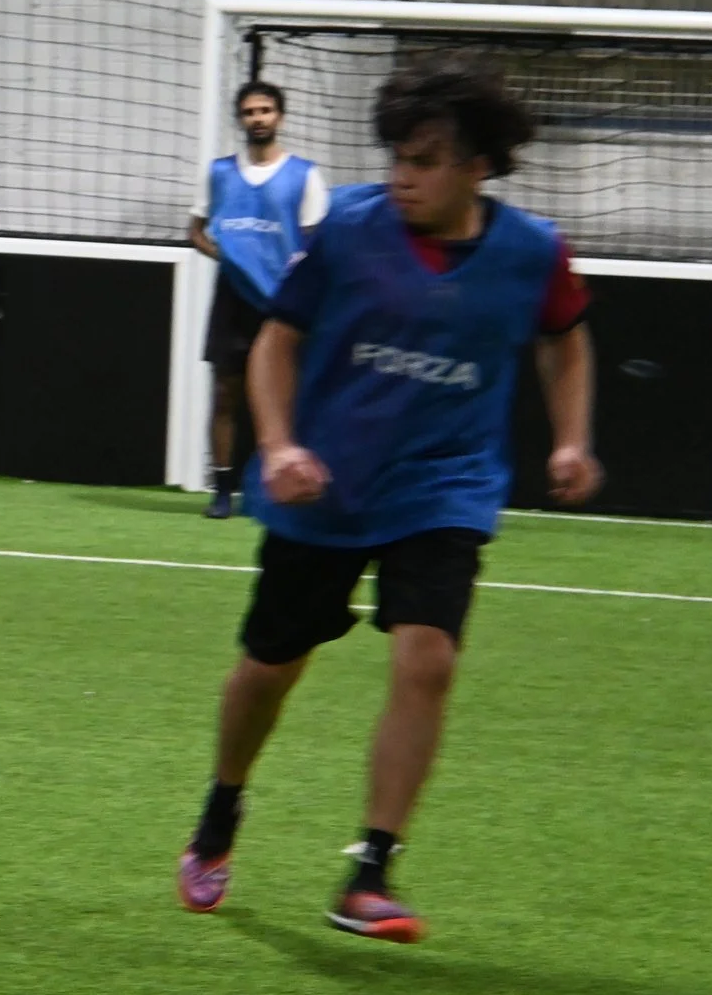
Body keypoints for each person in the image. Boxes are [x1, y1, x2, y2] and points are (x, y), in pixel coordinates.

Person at [174, 56, 600, 943]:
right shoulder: (350, 231)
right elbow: (275, 343)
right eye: (399, 155)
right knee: (269, 668)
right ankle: (221, 808)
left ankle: (371, 869)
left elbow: (565, 340)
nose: (404, 175)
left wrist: (569, 437)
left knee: (429, 657)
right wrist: (282, 441)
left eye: (428, 158)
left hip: (445, 484)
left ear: (479, 164)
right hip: (326, 485)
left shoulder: (533, 251)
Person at [188, 81, 326, 520]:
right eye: (249, 111)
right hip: (232, 301)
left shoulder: (305, 175)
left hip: (283, 304)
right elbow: (196, 231)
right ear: (240, 119)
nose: (258, 118)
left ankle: (275, 482)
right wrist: (228, 258)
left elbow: (316, 243)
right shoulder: (220, 173)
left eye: (265, 110)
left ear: (279, 116)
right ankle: (223, 487)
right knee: (226, 393)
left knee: (285, 398)